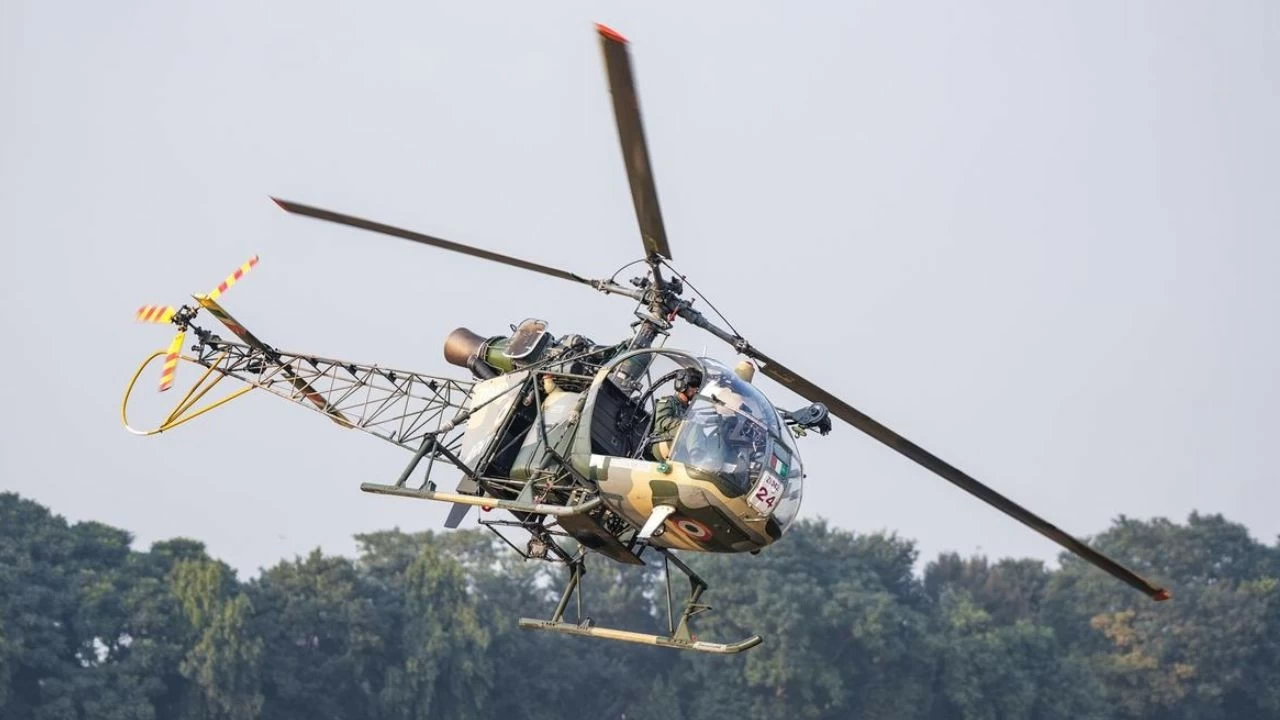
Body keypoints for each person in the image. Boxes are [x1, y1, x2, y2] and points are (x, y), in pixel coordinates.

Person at [647, 368, 702, 461]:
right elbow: (662, 421)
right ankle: (696, 457)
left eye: (697, 387)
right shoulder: (668, 401)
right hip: (662, 443)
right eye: (693, 387)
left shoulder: (689, 410)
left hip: (679, 446)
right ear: (683, 385)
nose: (696, 390)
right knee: (692, 425)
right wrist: (683, 424)